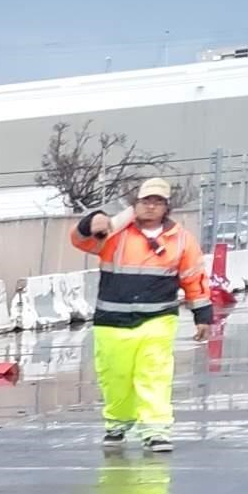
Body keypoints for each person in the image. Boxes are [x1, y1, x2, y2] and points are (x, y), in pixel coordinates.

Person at [70, 176, 212, 452]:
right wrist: (91, 222)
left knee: (154, 373)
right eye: (146, 201)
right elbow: (80, 241)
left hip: (157, 319)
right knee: (116, 376)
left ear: (166, 206)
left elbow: (194, 277)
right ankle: (118, 423)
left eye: (157, 202)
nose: (151, 207)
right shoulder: (115, 234)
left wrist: (202, 315)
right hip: (112, 321)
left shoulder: (182, 240)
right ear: (136, 204)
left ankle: (156, 430)